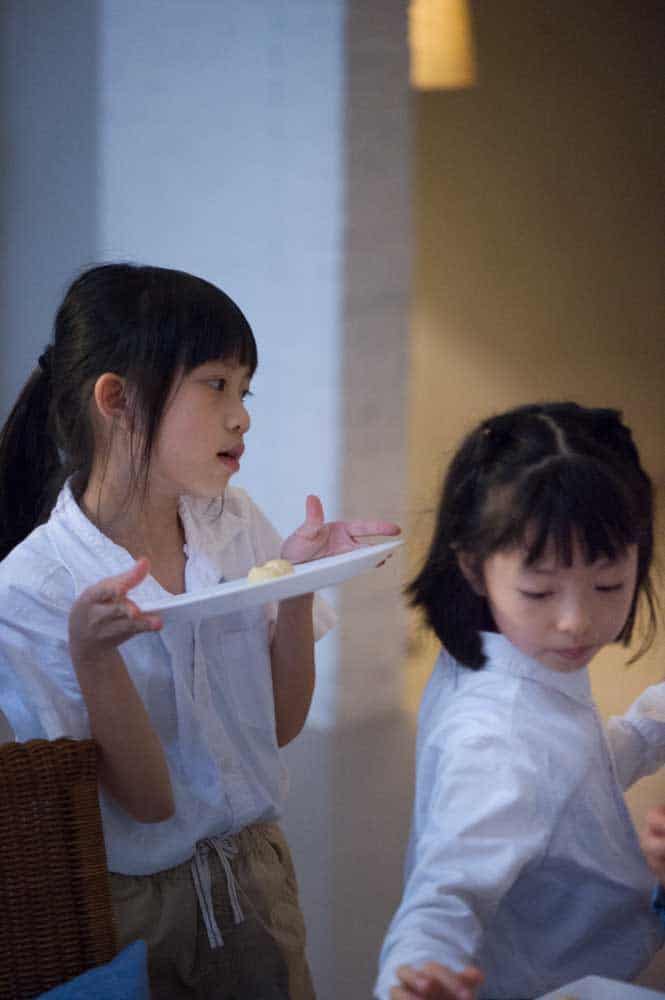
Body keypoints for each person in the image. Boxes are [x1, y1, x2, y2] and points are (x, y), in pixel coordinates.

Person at [0, 262, 400, 1000]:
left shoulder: (234, 520)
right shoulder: (35, 588)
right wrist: (93, 655)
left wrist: (295, 586)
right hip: (136, 918)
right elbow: (150, 802)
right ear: (117, 399)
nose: (241, 416)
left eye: (245, 390)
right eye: (216, 384)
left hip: (258, 878)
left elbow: (279, 727)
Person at [375, 402, 665, 1000]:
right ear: (473, 567)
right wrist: (419, 972)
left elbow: (564, 769)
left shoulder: (497, 651)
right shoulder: (494, 738)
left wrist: (651, 726)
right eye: (539, 591)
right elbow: (445, 892)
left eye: (608, 584)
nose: (575, 620)